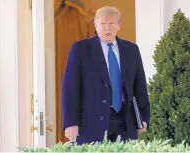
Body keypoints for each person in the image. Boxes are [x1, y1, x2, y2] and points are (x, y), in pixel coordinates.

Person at [62, 6, 150, 144]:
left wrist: (144, 117)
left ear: (118, 26)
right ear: (96, 25)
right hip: (91, 122)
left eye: (111, 24)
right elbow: (70, 89)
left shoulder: (131, 50)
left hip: (125, 120)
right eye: (103, 24)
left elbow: (140, 86)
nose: (107, 28)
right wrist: (70, 122)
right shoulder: (80, 49)